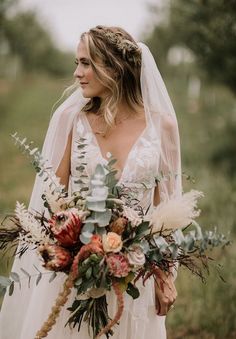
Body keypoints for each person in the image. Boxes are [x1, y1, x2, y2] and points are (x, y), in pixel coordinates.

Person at [0, 25, 182, 339]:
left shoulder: (162, 126)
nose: (77, 73)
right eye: (77, 63)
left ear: (114, 68)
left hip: (136, 275)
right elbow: (51, 203)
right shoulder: (71, 120)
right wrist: (72, 246)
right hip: (74, 276)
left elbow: (168, 210)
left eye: (86, 63)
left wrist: (165, 277)